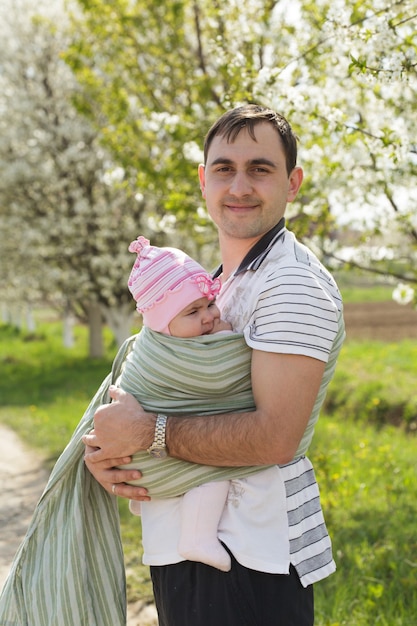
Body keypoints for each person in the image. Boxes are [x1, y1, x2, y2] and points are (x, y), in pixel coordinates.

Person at [83, 103, 345, 626]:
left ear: (292, 183)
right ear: (204, 181)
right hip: (194, 548)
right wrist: (104, 450)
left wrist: (146, 434)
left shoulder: (290, 282)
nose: (240, 185)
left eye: (261, 169)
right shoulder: (220, 281)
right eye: (225, 168)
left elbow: (275, 438)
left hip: (252, 556)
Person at [119, 234, 267, 572]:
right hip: (147, 452)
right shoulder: (165, 350)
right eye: (192, 312)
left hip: (144, 458)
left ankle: (152, 494)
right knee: (215, 464)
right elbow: (215, 374)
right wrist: (229, 338)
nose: (208, 318)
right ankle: (197, 538)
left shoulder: (178, 335)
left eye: (210, 305)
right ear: (162, 325)